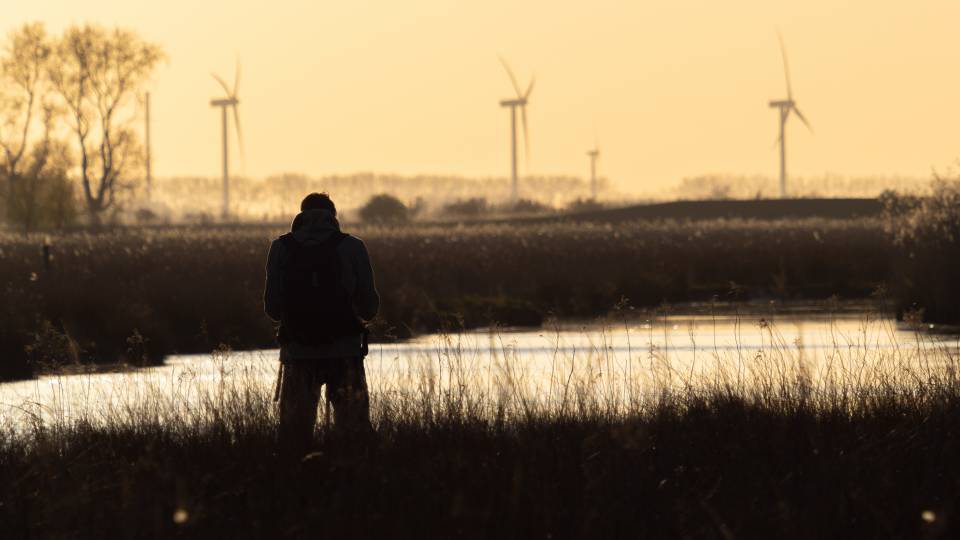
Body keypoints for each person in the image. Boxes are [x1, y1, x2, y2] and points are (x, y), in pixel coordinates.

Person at [264, 192, 380, 457]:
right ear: (334, 216)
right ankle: (352, 482)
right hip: (345, 351)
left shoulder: (280, 247)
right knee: (354, 430)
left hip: (298, 352)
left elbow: (272, 309)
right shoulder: (352, 246)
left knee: (295, 432)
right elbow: (369, 307)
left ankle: (297, 484)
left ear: (301, 215)